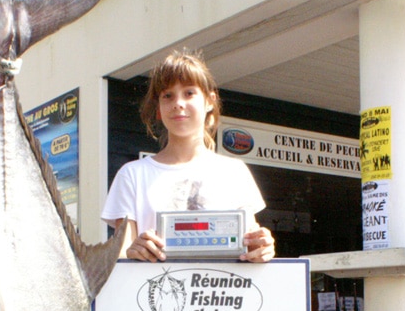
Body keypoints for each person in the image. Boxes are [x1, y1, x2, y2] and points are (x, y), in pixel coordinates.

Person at [101, 50, 275, 263]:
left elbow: (251, 245)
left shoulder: (235, 172)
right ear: (158, 108)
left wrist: (263, 248)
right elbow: (120, 257)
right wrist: (132, 252)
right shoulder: (131, 175)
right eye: (167, 95)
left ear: (210, 100)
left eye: (189, 93)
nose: (178, 103)